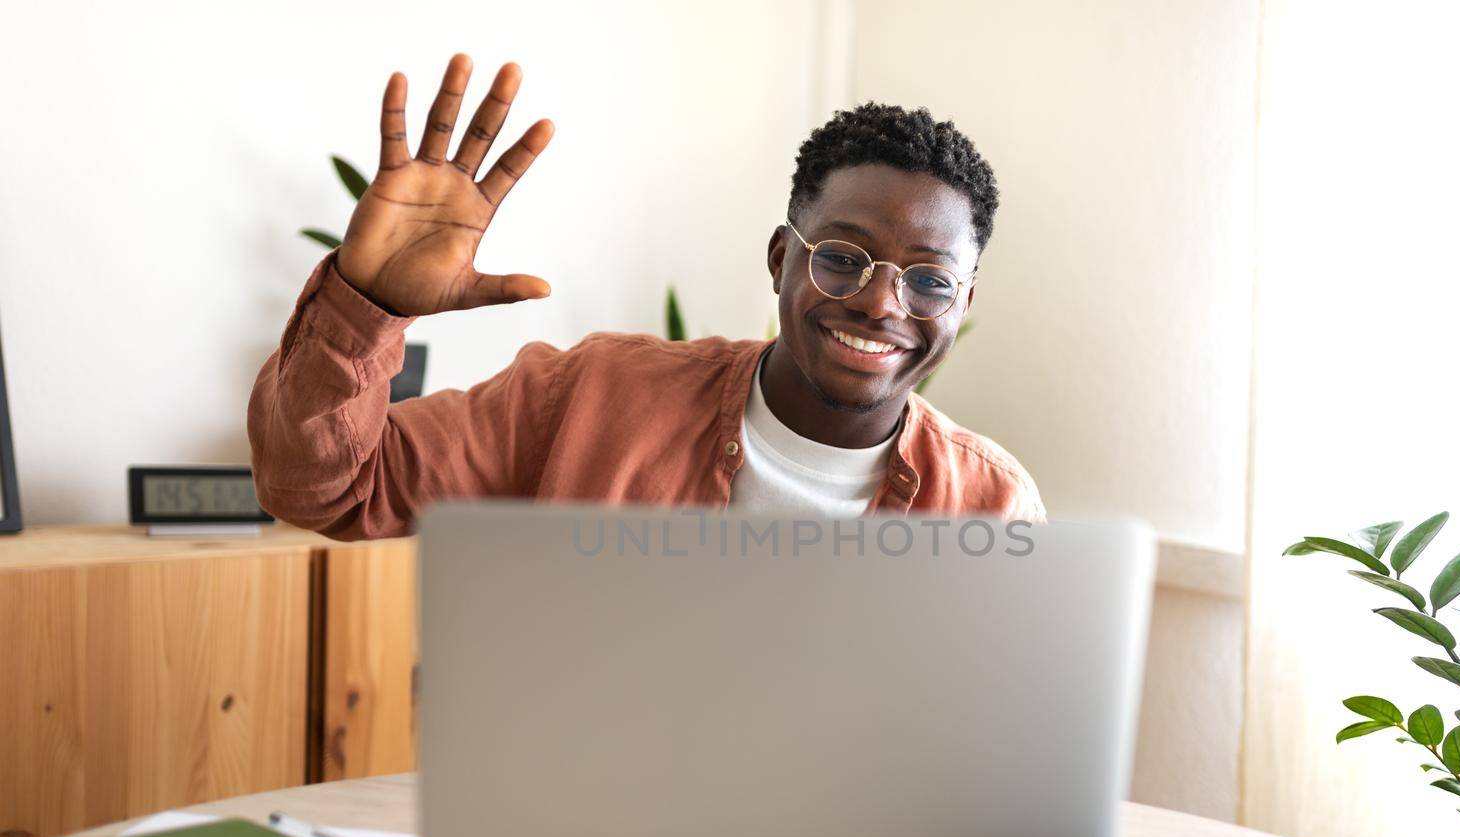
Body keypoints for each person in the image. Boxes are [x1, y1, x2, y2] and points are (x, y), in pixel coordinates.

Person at [248, 54, 1044, 540]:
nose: (879, 304)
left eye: (929, 280)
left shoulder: (993, 506)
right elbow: (325, 490)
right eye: (842, 258)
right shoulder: (593, 396)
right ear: (780, 259)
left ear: (962, 301)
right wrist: (364, 307)